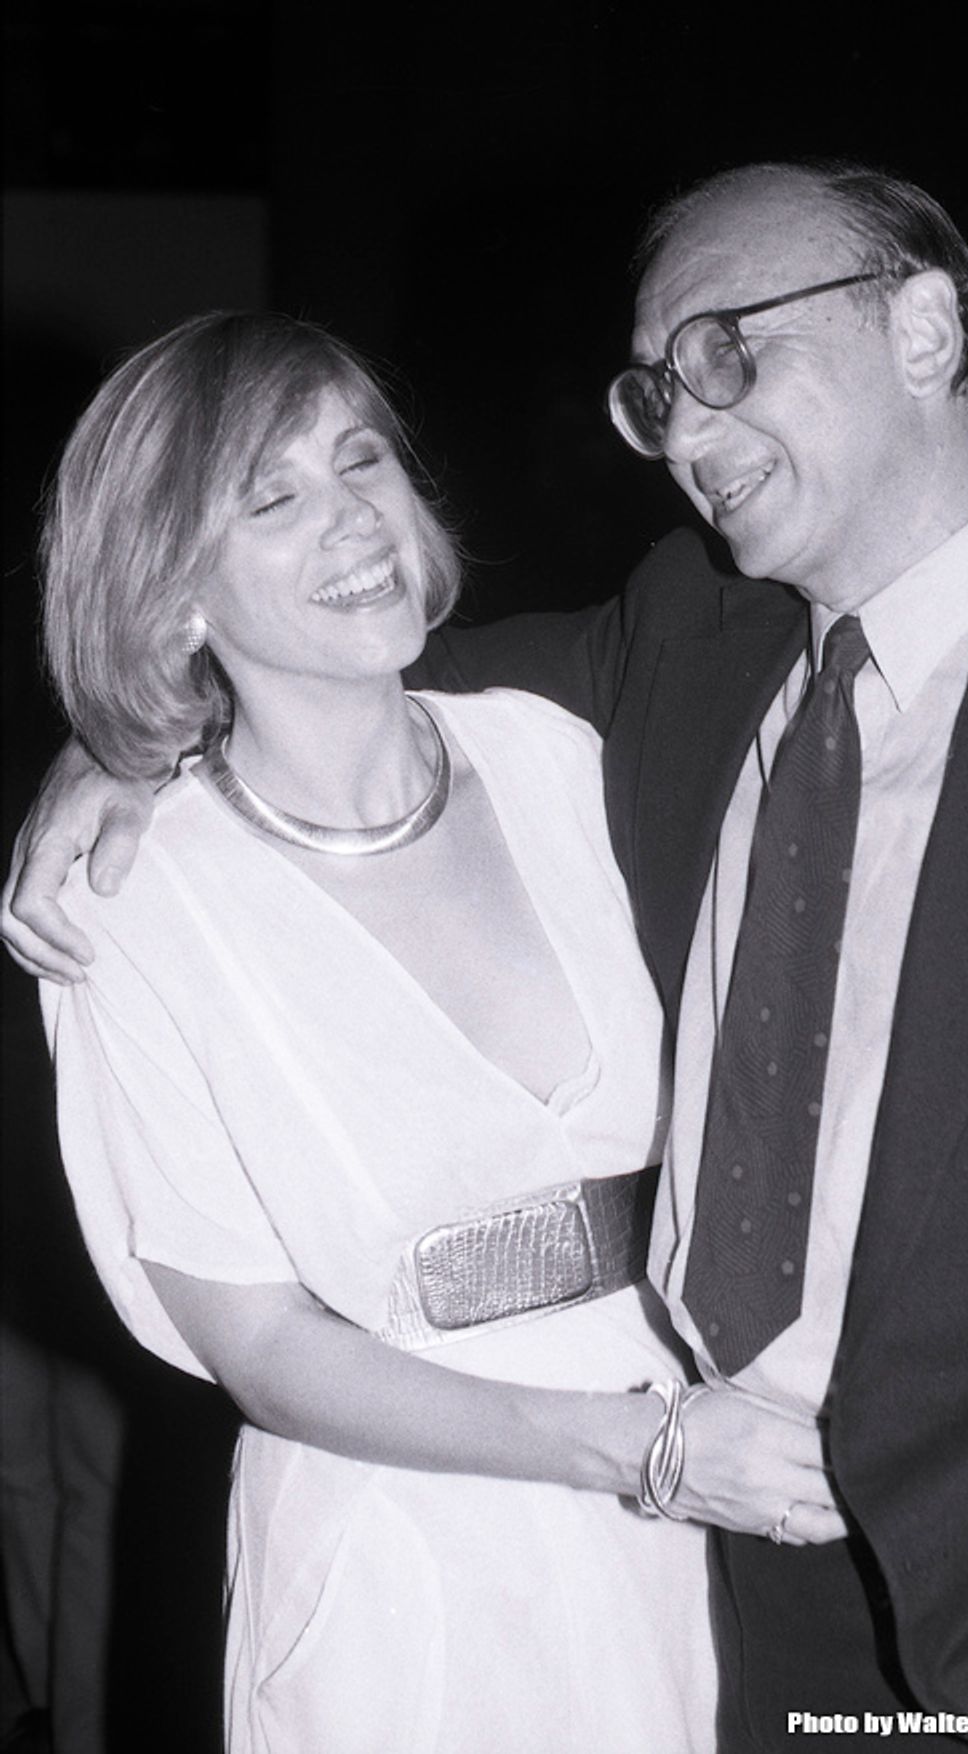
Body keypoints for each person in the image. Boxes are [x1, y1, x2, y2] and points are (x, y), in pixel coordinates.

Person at [6, 163, 968, 1750]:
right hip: (716, 1606)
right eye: (655, 390)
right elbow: (328, 701)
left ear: (923, 329)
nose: (687, 433)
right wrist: (113, 753)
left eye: (727, 355)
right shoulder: (680, 652)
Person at [12, 308, 849, 1754]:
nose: (355, 520)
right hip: (416, 1567)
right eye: (271, 499)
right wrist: (634, 1450)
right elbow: (265, 1343)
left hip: (706, 1522)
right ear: (169, 597)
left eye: (364, 460)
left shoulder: (564, 759)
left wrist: (687, 1447)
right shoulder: (140, 906)